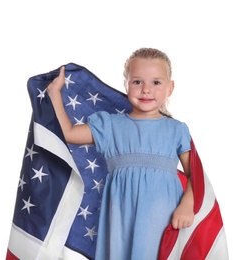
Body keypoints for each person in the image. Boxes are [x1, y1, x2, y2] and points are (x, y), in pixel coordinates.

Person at [47, 47, 194, 260]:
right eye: (137, 82)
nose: (146, 89)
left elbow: (194, 177)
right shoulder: (110, 125)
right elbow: (68, 133)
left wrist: (187, 205)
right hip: (121, 216)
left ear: (170, 88)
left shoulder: (177, 129)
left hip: (164, 216)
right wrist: (55, 95)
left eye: (156, 82)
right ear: (126, 84)